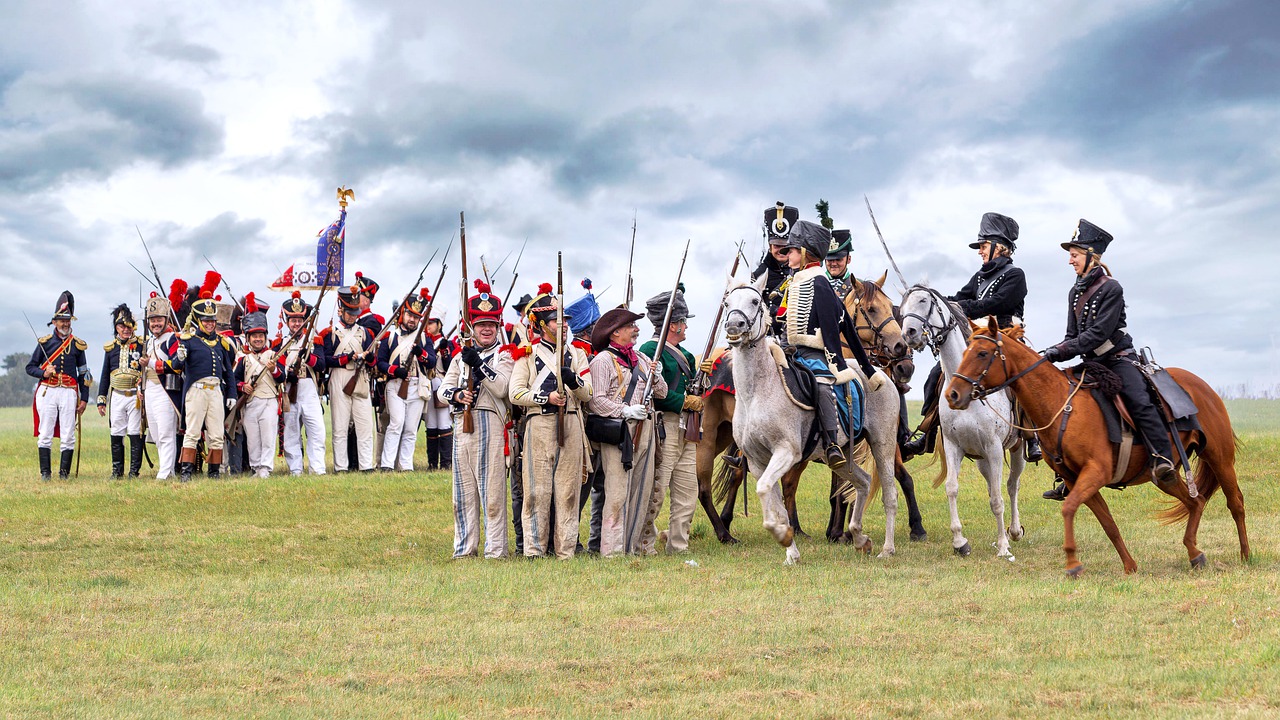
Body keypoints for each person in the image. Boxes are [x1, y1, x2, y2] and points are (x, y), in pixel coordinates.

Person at [1041, 219, 1177, 500]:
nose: (1070, 261)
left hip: (1117, 360)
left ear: (1092, 256)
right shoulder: (1074, 291)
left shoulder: (1112, 288)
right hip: (1092, 363)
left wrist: (1059, 351)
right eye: (1070, 255)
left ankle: (1162, 458)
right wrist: (1052, 351)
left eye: (1075, 255)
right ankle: (1069, 472)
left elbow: (1097, 334)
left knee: (1139, 400)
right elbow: (1072, 335)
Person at [902, 212, 1036, 461]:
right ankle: (928, 432)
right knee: (937, 375)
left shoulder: (1016, 276)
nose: (980, 251)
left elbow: (996, 302)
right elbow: (960, 297)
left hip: (1005, 336)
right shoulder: (980, 276)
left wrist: (962, 308)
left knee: (1024, 379)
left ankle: (1032, 438)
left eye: (984, 246)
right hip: (977, 339)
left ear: (1000, 247)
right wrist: (938, 302)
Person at [777, 218, 881, 468]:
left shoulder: (820, 283)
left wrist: (854, 367)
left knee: (822, 384)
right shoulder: (793, 282)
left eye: (790, 250)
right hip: (787, 351)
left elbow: (840, 328)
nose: (787, 254)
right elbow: (781, 319)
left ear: (803, 253)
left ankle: (832, 442)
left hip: (814, 353)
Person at [509, 283, 593, 559]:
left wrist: (573, 381)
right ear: (543, 325)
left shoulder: (577, 354)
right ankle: (534, 551)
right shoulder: (528, 354)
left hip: (570, 422)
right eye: (558, 320)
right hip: (539, 425)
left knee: (568, 492)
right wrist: (545, 399)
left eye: (565, 320)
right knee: (536, 492)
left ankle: (565, 550)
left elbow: (588, 393)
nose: (565, 325)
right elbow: (515, 392)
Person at [439, 280, 514, 558]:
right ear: (471, 327)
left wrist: (479, 365)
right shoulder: (460, 358)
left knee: (492, 494)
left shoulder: (505, 355)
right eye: (481, 324)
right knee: (463, 494)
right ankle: (464, 549)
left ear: (497, 328)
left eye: (491, 325)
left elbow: (503, 387)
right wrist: (458, 395)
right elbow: (442, 389)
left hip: (491, 425)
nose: (486, 329)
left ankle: (495, 550)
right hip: (462, 424)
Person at [588, 307, 667, 556]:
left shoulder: (642, 360)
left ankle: (631, 548)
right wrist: (625, 411)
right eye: (631, 326)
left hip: (646, 428)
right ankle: (612, 552)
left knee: (641, 491)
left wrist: (657, 375)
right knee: (618, 493)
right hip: (620, 430)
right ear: (615, 333)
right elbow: (596, 401)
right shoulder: (602, 361)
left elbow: (662, 393)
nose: (636, 330)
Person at [637, 286, 700, 554]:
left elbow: (694, 390)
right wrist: (683, 401)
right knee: (657, 490)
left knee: (687, 492)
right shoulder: (650, 349)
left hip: (688, 428)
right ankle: (644, 544)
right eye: (683, 322)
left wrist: (702, 381)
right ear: (673, 325)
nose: (686, 327)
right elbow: (652, 391)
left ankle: (678, 545)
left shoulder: (685, 355)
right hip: (665, 426)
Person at [171, 290, 238, 481]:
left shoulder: (220, 343)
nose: (210, 324)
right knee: (192, 432)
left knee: (216, 434)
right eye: (206, 321)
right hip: (196, 391)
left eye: (212, 321)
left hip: (215, 391)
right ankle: (186, 472)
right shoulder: (189, 341)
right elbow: (176, 365)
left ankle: (214, 472)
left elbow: (228, 372)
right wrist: (180, 356)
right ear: (199, 321)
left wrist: (231, 393)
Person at [26, 291, 91, 480]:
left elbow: (84, 373)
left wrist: (85, 398)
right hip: (48, 391)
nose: (65, 324)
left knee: (68, 434)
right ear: (54, 322)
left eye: (68, 320)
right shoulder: (45, 344)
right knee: (45, 432)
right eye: (62, 320)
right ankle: (45, 474)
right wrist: (44, 372)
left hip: (69, 393)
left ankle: (64, 474)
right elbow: (30, 367)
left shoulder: (78, 346)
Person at [564, 279, 605, 554]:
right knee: (581, 487)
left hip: (603, 427)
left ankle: (597, 541)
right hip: (584, 427)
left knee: (601, 486)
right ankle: (571, 539)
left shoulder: (597, 351)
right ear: (590, 329)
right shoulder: (579, 353)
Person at [318, 285, 378, 472]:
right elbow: (325, 360)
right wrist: (345, 358)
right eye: (350, 312)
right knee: (340, 426)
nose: (353, 316)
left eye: (355, 313)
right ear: (341, 309)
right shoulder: (329, 333)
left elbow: (373, 361)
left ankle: (366, 466)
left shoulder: (365, 332)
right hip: (339, 376)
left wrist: (368, 359)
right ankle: (341, 467)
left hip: (360, 378)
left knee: (365, 425)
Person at [378, 288, 437, 471]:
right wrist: (395, 371)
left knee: (411, 428)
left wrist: (420, 353)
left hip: (416, 386)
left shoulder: (424, 338)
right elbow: (380, 363)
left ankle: (406, 465)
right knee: (396, 423)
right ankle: (387, 464)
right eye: (410, 315)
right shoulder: (390, 336)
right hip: (396, 385)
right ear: (403, 313)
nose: (412, 320)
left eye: (416, 317)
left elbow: (432, 361)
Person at [275, 291, 327, 476]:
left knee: (317, 431)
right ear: (287, 321)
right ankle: (295, 469)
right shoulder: (279, 343)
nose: (297, 323)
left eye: (299, 319)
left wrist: (307, 356)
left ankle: (318, 468)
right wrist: (288, 375)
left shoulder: (315, 340)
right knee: (290, 432)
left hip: (309, 389)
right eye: (293, 320)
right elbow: (276, 369)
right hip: (290, 391)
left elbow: (322, 364)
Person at [233, 295, 281, 478]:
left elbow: (281, 377)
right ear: (248, 338)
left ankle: (266, 468)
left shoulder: (273, 355)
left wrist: (274, 369)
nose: (258, 339)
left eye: (260, 336)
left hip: (269, 400)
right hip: (251, 402)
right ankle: (255, 467)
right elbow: (235, 379)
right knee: (253, 438)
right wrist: (242, 386)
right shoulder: (243, 358)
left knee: (268, 436)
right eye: (254, 336)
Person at [97, 304, 145, 478]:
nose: (125, 330)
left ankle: (134, 471)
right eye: (122, 326)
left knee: (134, 432)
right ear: (116, 327)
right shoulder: (110, 348)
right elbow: (105, 375)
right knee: (116, 432)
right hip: (117, 395)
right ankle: (117, 471)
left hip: (134, 396)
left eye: (128, 326)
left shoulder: (141, 345)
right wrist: (102, 399)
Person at [140, 290, 184, 480]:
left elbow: (177, 365)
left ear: (166, 319)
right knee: (157, 433)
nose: (155, 324)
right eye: (152, 320)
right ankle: (167, 469)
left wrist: (151, 363)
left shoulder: (173, 338)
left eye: (159, 319)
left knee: (166, 433)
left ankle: (165, 472)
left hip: (166, 389)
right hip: (150, 389)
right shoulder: (149, 342)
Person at [421, 315, 455, 471]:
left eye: (432, 323)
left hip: (441, 383)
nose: (428, 325)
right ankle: (432, 463)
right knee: (431, 424)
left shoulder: (446, 343)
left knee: (444, 423)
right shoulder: (424, 341)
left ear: (439, 324)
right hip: (428, 384)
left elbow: (449, 367)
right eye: (427, 322)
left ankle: (446, 464)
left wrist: (443, 349)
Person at [824, 229, 857, 299]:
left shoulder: (858, 286)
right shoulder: (814, 284)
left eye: (838, 259)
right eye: (830, 260)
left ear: (848, 259)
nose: (833, 264)